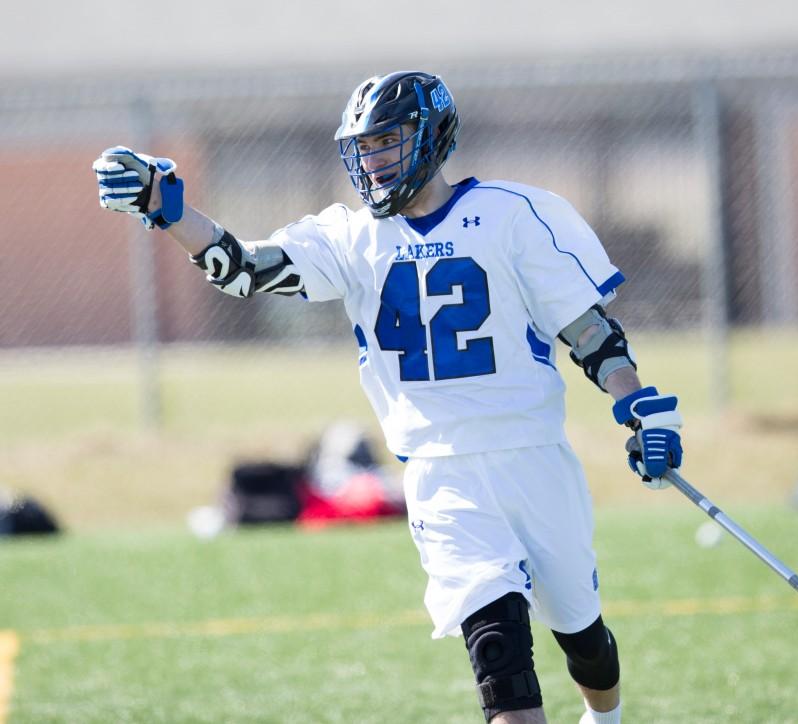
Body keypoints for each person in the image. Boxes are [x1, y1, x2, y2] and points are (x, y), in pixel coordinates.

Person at [92, 70, 683, 724]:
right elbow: (244, 268)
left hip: (534, 459)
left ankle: (605, 716)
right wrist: (170, 211)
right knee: (497, 650)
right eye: (362, 149)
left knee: (583, 640)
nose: (371, 163)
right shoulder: (351, 237)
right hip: (440, 471)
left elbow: (591, 332)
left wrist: (638, 409)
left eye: (386, 143)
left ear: (431, 137)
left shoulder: (516, 215)